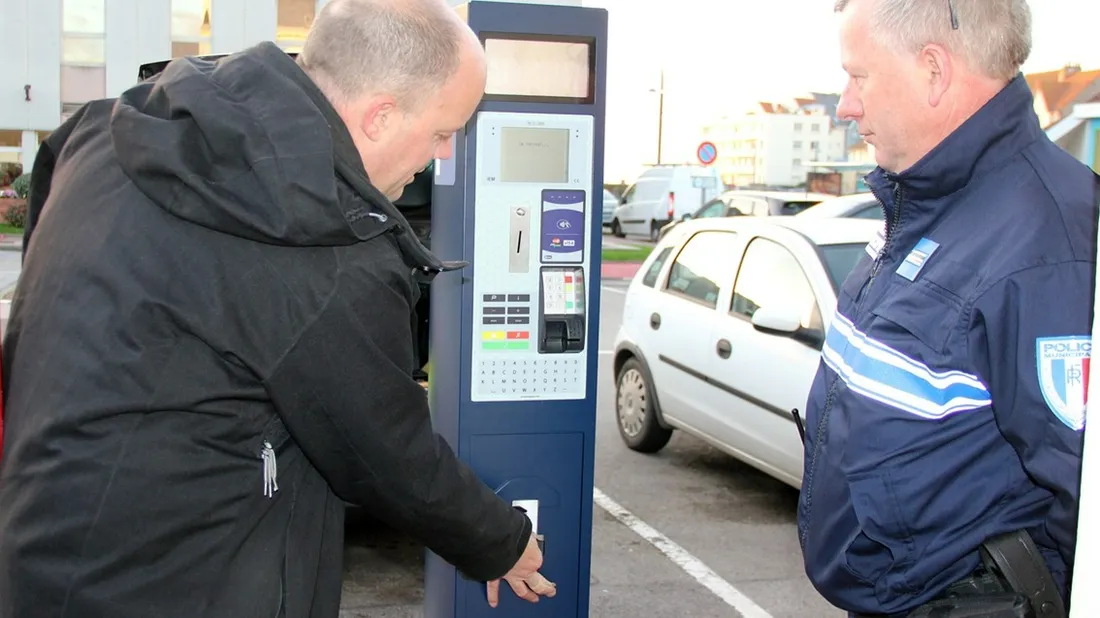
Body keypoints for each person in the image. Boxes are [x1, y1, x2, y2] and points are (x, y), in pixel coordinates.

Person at [0, 0, 557, 616]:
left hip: (42, 556)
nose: (444, 155)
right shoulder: (322, 245)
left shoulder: (110, 131)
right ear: (378, 117)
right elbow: (387, 453)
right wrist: (503, 543)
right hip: (179, 585)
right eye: (443, 132)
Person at [797, 0, 1100, 616]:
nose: (846, 105)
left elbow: (1082, 501)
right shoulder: (929, 202)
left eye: (858, 76)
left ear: (933, 71)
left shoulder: (1048, 242)